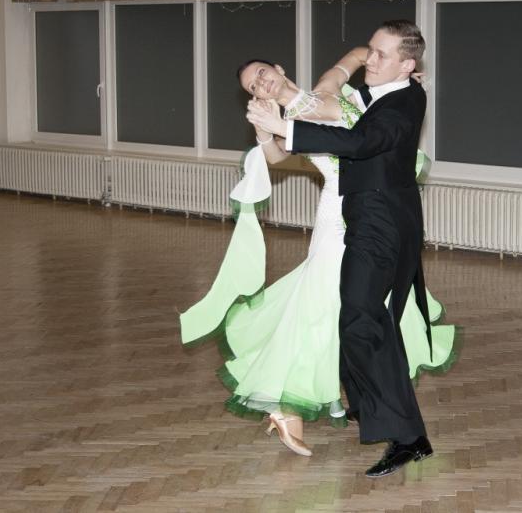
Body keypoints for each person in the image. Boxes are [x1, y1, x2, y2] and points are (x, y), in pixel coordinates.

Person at [180, 40, 456, 460]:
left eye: (262, 73)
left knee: (348, 308)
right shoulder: (284, 119)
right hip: (338, 213)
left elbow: (361, 53)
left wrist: (402, 76)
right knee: (325, 306)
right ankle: (287, 405)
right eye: (253, 86)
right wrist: (265, 131)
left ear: (278, 67)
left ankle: (341, 397)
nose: (261, 83)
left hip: (375, 207)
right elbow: (276, 158)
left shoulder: (326, 87)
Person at [246, 20, 437, 477]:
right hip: (368, 217)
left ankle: (408, 435)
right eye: (252, 85)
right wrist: (269, 131)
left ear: (407, 65)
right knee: (361, 319)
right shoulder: (388, 91)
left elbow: (360, 142)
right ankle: (372, 407)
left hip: (380, 222)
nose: (370, 59)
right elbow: (329, 121)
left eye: (382, 55)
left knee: (361, 319)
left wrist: (284, 127)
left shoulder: (402, 100)